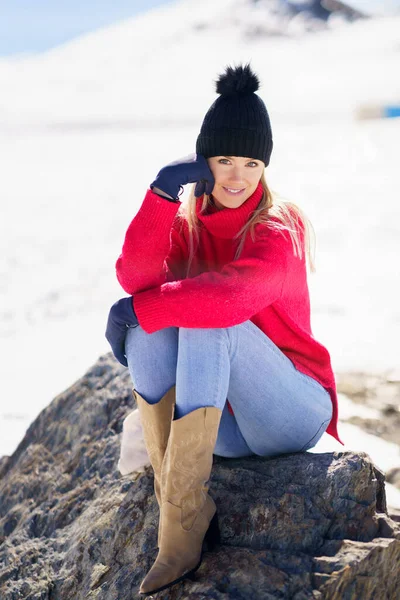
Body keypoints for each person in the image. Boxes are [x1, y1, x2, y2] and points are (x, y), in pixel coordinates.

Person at [105, 64, 342, 596]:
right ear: (203, 163)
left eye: (252, 162)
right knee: (148, 330)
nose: (237, 176)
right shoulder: (188, 225)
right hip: (225, 431)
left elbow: (229, 297)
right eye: (225, 160)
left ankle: (177, 544)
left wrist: (140, 308)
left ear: (265, 167)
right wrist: (162, 194)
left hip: (293, 410)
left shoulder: (280, 227)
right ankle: (185, 506)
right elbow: (135, 276)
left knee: (209, 320)